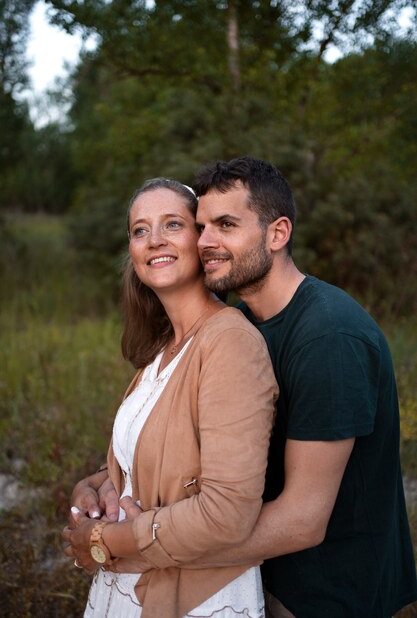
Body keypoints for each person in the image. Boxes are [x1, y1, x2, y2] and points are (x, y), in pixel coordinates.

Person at [70, 158, 417, 618]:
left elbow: (302, 522)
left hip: (327, 590)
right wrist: (103, 481)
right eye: (202, 225)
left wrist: (130, 546)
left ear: (277, 234)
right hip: (259, 573)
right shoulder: (246, 323)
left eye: (226, 225)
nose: (207, 240)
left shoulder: (330, 338)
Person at [62, 177, 278, 618]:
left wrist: (104, 542)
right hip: (131, 586)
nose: (154, 239)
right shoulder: (162, 349)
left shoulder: (230, 342)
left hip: (194, 597)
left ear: (201, 240)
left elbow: (227, 514)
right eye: (140, 230)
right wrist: (96, 486)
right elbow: (160, 456)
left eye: (172, 224)